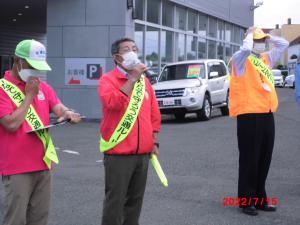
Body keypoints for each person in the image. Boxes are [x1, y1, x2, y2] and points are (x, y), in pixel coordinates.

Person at [0, 39, 81, 225]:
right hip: (16, 167)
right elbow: (11, 124)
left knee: (39, 219)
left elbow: (58, 107)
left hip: (43, 163)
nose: (36, 72)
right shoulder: (3, 88)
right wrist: (29, 95)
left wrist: (68, 113)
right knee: (16, 219)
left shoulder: (43, 87)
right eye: (31, 66)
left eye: (39, 67)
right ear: (18, 61)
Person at [98, 37, 161, 225]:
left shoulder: (145, 82)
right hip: (119, 153)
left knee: (135, 202)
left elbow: (153, 113)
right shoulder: (107, 80)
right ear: (117, 57)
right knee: (115, 203)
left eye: (134, 48)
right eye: (127, 50)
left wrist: (154, 141)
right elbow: (112, 103)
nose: (132, 52)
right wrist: (132, 79)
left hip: (142, 153)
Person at [229, 27, 288, 216]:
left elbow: (284, 44)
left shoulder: (265, 59)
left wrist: (268, 37)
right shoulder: (240, 59)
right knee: (249, 159)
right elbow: (246, 49)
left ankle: (260, 198)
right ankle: (247, 200)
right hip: (248, 114)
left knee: (264, 158)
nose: (261, 42)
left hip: (266, 113)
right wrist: (249, 35)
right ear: (248, 40)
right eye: (258, 39)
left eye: (262, 40)